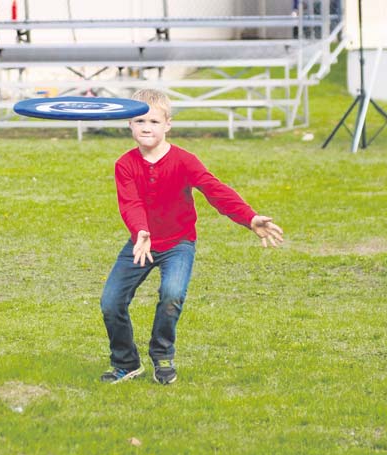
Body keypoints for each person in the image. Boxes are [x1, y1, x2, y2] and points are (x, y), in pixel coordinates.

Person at [100, 89, 284, 385]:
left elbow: (215, 190)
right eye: (139, 121)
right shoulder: (125, 164)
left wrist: (249, 217)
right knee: (111, 301)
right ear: (129, 124)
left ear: (168, 124)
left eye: (154, 121)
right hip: (141, 243)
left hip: (178, 243)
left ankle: (162, 355)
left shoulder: (184, 161)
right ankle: (126, 363)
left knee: (172, 295)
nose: (146, 127)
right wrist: (141, 231)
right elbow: (130, 203)